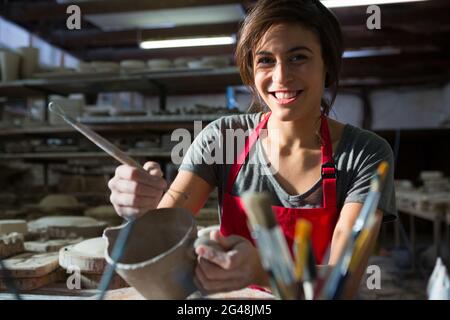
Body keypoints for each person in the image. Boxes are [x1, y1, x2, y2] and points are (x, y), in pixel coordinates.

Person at [108, 0, 397, 296]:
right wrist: (140, 207)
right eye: (266, 60)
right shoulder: (223, 138)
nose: (281, 76)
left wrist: (262, 269)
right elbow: (161, 238)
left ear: (328, 65)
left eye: (298, 57)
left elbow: (344, 281)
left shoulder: (365, 154)